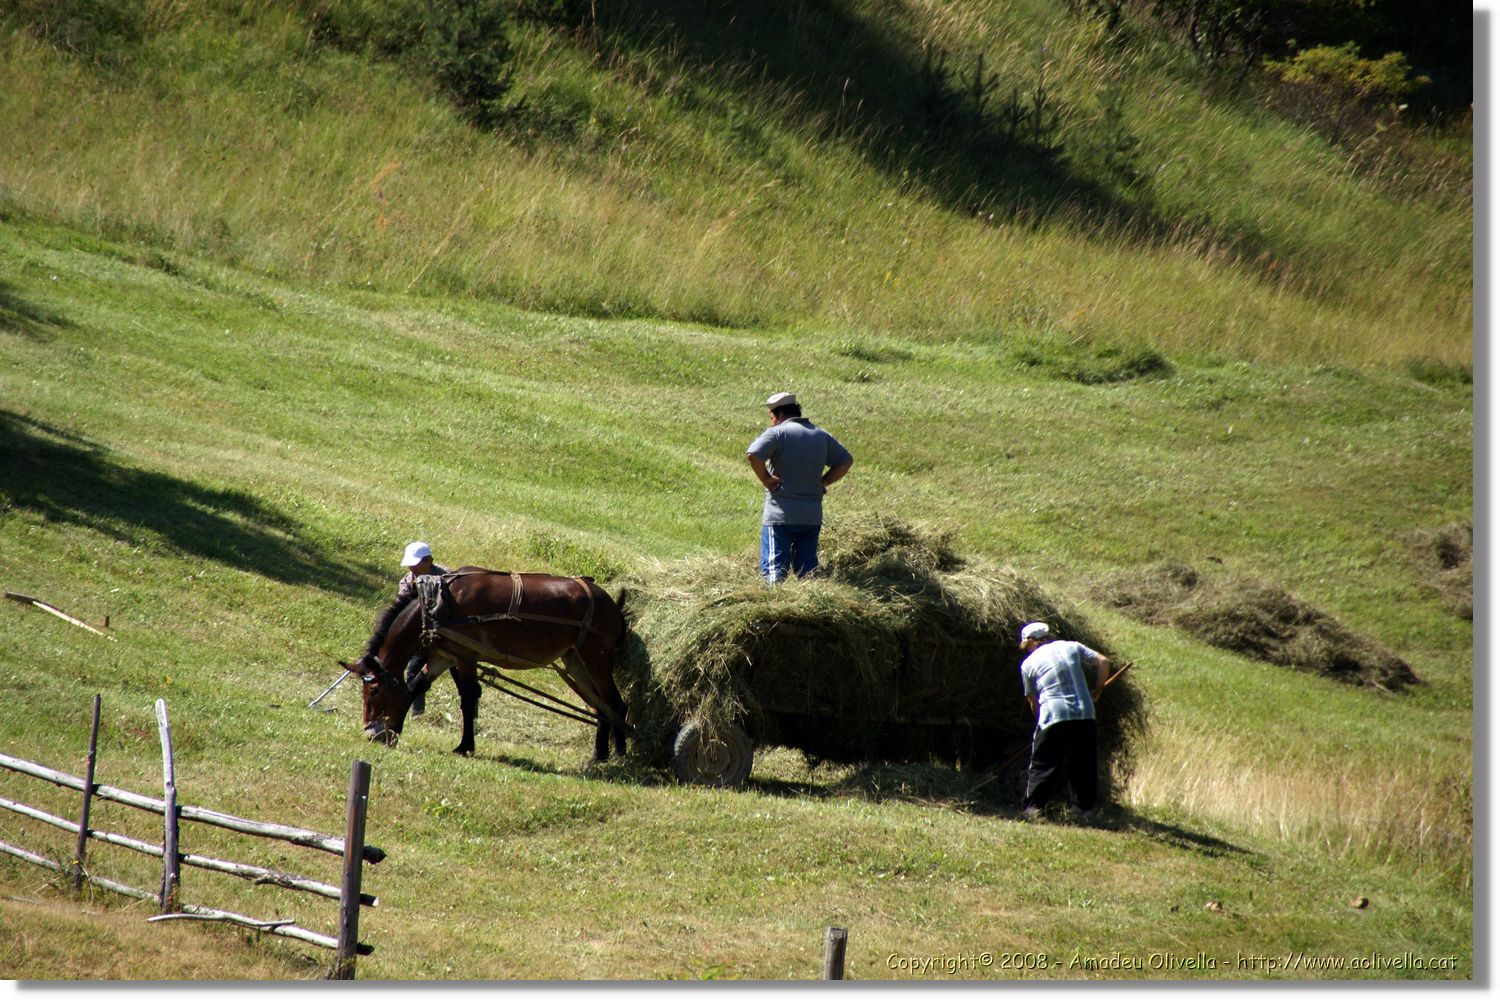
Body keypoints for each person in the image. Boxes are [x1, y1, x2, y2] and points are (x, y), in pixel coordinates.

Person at [745, 392, 853, 584]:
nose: (771, 423)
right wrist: (824, 482)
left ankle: (774, 605)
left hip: (780, 515)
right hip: (811, 516)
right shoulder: (821, 434)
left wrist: (766, 478)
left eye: (771, 418)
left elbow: (754, 454)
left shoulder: (777, 433)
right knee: (807, 571)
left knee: (774, 570)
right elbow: (846, 461)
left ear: (779, 415)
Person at [1017, 621, 1111, 819]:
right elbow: (1103, 661)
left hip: (1054, 714)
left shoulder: (1028, 664)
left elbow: (1033, 702)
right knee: (1083, 764)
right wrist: (1098, 691)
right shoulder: (1071, 646)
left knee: (1044, 764)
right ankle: (1084, 811)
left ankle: (1033, 810)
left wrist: (1039, 725)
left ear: (1032, 642)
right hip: (1084, 713)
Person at [396, 542, 449, 714]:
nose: (412, 568)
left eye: (416, 564)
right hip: (424, 635)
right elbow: (402, 611)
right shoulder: (407, 582)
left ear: (428, 561)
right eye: (410, 564)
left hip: (450, 634)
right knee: (413, 671)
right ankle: (418, 712)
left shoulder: (447, 578)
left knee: (464, 677)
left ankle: (471, 715)